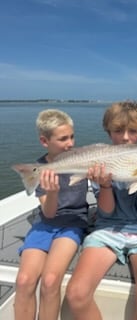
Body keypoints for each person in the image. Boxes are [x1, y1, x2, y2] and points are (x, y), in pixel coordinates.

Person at [66, 101, 137, 320]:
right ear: (108, 132)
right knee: (76, 294)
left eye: (133, 131)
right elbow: (105, 212)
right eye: (118, 131)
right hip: (107, 227)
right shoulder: (100, 161)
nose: (125, 137)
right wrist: (105, 185)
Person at [14, 109, 89, 320]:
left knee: (50, 280)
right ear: (44, 141)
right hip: (45, 222)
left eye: (72, 136)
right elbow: (48, 212)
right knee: (24, 280)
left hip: (73, 222)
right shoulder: (39, 168)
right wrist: (53, 192)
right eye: (63, 139)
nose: (70, 144)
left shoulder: (83, 158)